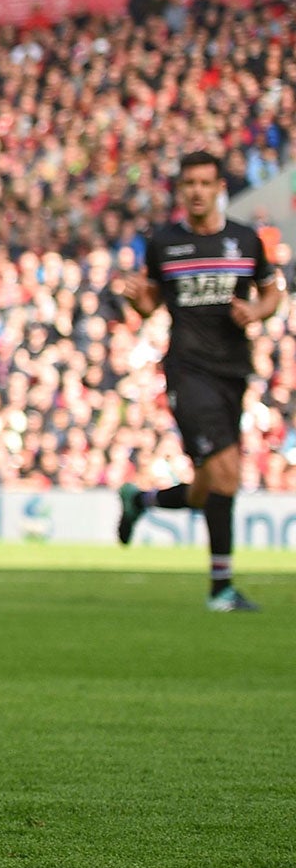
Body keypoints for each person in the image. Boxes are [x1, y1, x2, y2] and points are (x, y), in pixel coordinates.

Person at [114, 151, 282, 610]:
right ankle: (220, 590)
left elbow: (270, 291)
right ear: (180, 190)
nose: (197, 191)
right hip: (188, 371)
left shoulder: (245, 241)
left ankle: (142, 502)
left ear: (219, 188)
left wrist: (256, 312)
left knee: (210, 486)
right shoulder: (164, 243)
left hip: (234, 371)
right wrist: (136, 299)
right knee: (228, 472)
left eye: (206, 183)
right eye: (189, 183)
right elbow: (151, 303)